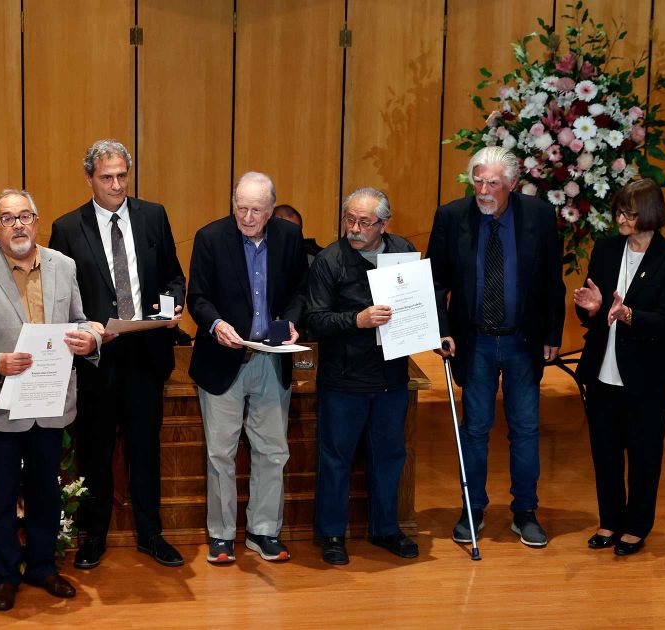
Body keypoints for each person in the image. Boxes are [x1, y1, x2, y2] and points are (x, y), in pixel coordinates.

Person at [0, 189, 101, 611]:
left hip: (50, 403)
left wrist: (89, 340)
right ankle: (3, 575)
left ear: (36, 221)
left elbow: (80, 321)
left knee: (45, 493)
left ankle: (41, 568)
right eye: (7, 218)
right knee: (0, 497)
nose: (18, 225)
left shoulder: (63, 266)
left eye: (25, 216)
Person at [48, 139, 186, 569]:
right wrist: (85, 330)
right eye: (106, 177)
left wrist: (172, 305)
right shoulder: (68, 228)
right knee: (95, 452)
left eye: (122, 175)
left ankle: (151, 534)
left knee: (146, 450)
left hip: (146, 354)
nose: (116, 185)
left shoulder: (153, 216)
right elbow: (60, 299)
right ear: (89, 178)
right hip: (96, 362)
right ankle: (94, 535)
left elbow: (173, 276)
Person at [427, 146, 565, 548]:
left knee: (525, 430)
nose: (484, 190)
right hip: (475, 341)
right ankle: (473, 509)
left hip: (523, 340)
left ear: (512, 185)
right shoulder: (452, 217)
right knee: (475, 430)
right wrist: (441, 328)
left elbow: (551, 281)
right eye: (478, 181)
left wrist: (552, 335)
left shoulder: (538, 215)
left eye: (493, 183)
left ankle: (525, 511)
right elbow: (436, 281)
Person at [187, 171, 308, 564]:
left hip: (270, 360)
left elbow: (300, 292)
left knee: (272, 451)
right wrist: (216, 324)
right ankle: (221, 535)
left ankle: (263, 532)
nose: (248, 217)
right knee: (220, 453)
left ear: (272, 210)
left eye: (257, 210)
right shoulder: (210, 238)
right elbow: (198, 298)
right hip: (223, 360)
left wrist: (291, 321)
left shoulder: (289, 238)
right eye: (241, 207)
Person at [573, 179, 665, 556]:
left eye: (630, 213)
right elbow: (593, 313)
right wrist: (591, 308)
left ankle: (637, 526)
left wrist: (629, 314)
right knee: (604, 450)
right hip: (602, 371)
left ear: (651, 215)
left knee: (643, 452)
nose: (621, 218)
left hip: (648, 376)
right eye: (619, 210)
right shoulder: (606, 250)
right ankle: (609, 521)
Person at [305, 187, 419, 565]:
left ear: (384, 224)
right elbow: (315, 320)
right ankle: (332, 534)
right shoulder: (329, 260)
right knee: (336, 458)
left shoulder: (402, 250)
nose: (354, 228)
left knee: (390, 456)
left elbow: (420, 298)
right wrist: (357, 319)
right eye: (349, 219)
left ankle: (386, 528)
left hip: (391, 376)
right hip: (344, 378)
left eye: (364, 222)